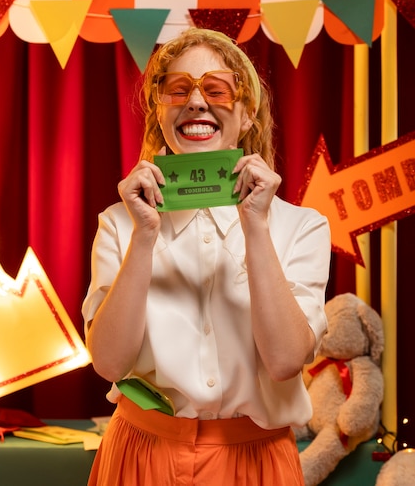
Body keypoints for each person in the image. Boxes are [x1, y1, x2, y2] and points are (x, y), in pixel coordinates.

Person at [82, 27, 331, 486]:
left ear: (247, 113)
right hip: (139, 457)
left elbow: (284, 361)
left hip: (256, 463)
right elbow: (110, 365)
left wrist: (256, 226)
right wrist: (144, 237)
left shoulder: (303, 226)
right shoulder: (120, 223)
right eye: (178, 90)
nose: (196, 102)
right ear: (160, 113)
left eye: (215, 89)